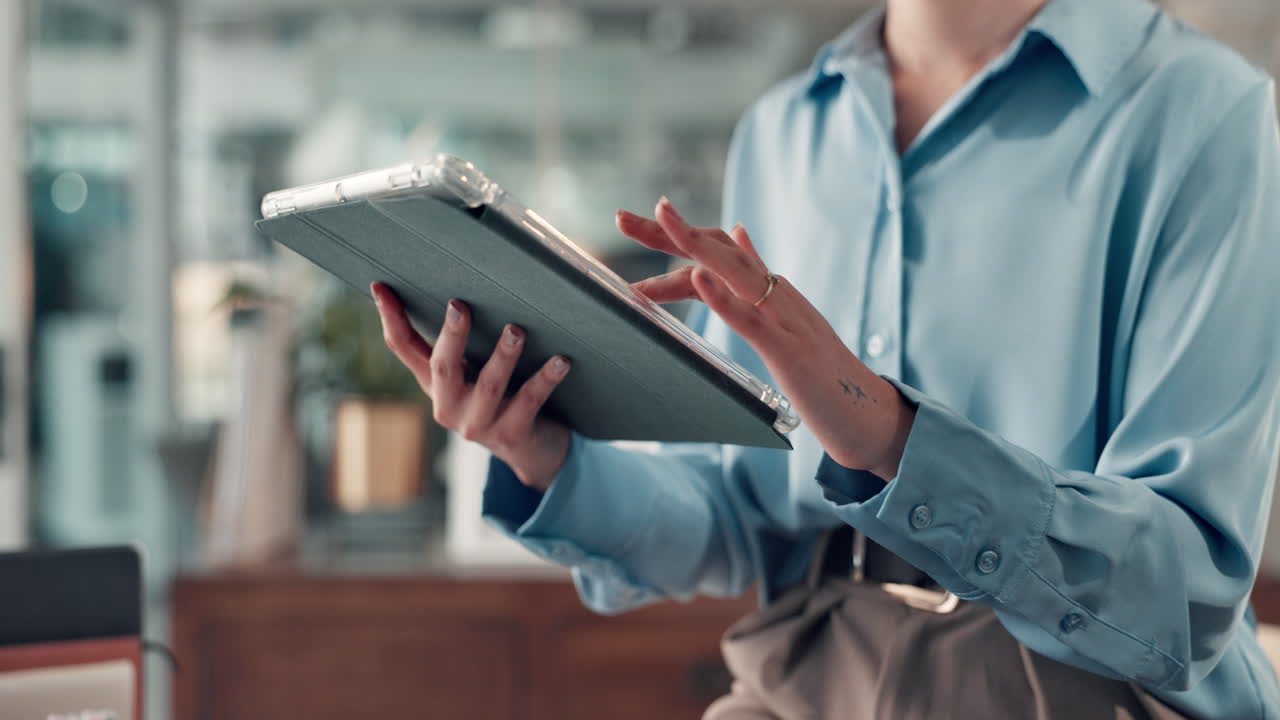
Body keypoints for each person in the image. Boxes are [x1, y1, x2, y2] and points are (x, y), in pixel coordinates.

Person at [372, 0, 1280, 716]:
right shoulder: (783, 132)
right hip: (804, 667)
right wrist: (542, 452)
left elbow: (1188, 594)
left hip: (1073, 688)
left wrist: (889, 435)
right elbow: (738, 517)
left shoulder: (1203, 113)